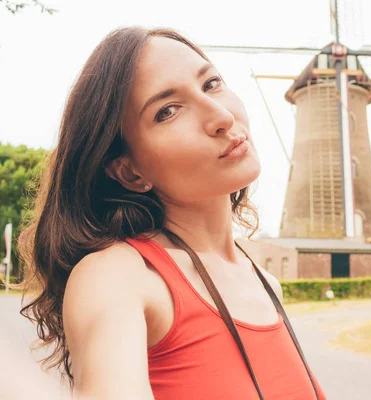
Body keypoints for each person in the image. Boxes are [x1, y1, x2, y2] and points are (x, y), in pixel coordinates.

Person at [18, 26, 327, 400]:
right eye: (168, 111)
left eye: (211, 83)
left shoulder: (264, 282)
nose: (221, 116)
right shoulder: (120, 277)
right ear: (130, 171)